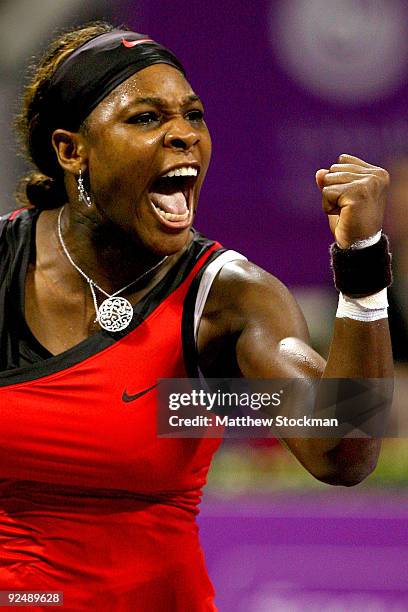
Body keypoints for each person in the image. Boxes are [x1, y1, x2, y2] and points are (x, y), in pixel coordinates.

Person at [0, 21, 393, 612]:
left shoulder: (229, 300)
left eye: (193, 116)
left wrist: (362, 267)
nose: (184, 136)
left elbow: (344, 452)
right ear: (70, 150)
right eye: (147, 118)